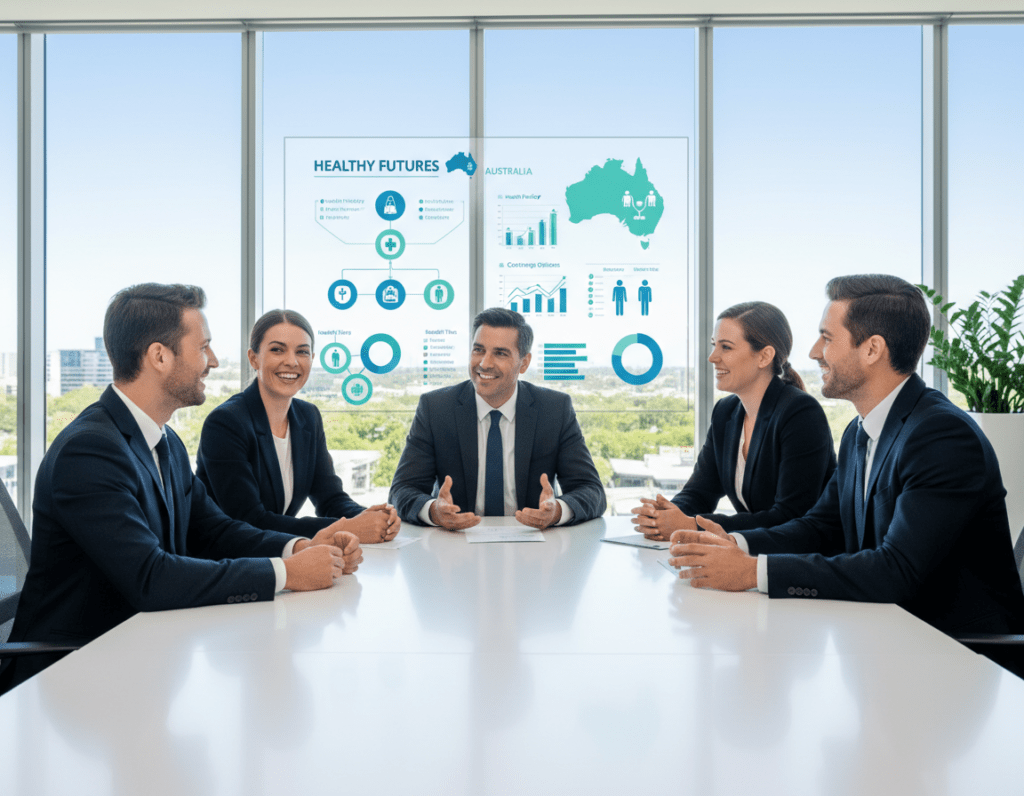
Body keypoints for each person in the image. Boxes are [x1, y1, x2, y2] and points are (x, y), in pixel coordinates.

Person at [0, 284, 363, 694]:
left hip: (143, 651)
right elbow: (151, 577)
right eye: (203, 347)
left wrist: (298, 547)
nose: (212, 361)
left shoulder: (166, 442)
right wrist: (288, 573)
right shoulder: (90, 451)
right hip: (73, 673)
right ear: (159, 356)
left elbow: (214, 530)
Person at [668, 275, 1024, 637]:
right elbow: (821, 528)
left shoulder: (941, 436)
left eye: (827, 338)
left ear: (872, 349)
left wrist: (751, 572)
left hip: (958, 651)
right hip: (884, 635)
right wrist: (735, 543)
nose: (813, 352)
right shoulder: (859, 431)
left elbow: (897, 570)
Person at [631, 302, 836, 540]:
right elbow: (699, 492)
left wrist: (693, 526)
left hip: (796, 562)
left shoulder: (800, 413)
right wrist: (666, 514)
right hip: (751, 554)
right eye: (713, 345)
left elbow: (790, 516)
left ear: (764, 356)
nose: (712, 357)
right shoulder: (725, 412)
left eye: (726, 347)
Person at [389, 307, 606, 529]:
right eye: (478, 350)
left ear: (524, 363)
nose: (484, 363)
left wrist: (557, 511)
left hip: (533, 544)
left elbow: (591, 490)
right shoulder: (436, 408)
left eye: (500, 353)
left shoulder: (554, 409)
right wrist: (434, 512)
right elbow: (402, 490)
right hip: (455, 545)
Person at [196, 309, 400, 544]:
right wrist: (347, 528)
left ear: (311, 359)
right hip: (229, 562)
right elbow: (250, 520)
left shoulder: (308, 416)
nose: (292, 361)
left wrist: (372, 516)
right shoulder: (226, 423)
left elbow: (330, 499)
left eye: (302, 352)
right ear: (254, 358)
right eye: (277, 350)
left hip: (278, 554)